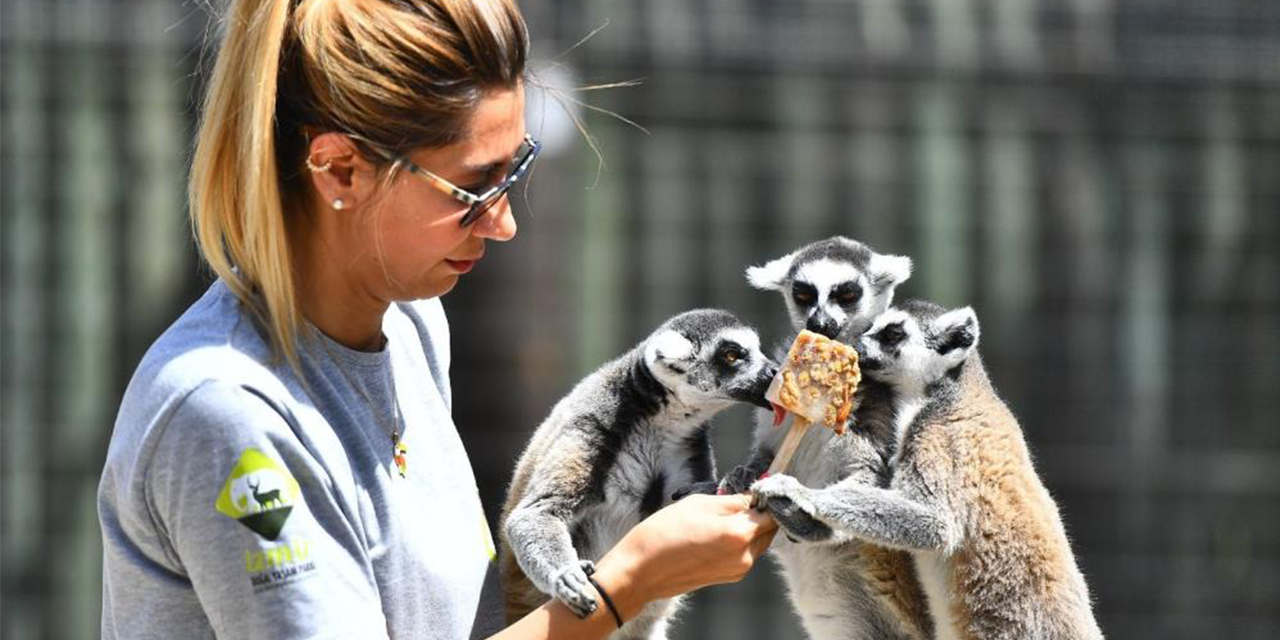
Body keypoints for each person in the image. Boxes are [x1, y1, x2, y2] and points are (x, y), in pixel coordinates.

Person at [96, 0, 777, 638]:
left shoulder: (413, 324)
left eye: (516, 173)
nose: (505, 223)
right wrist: (630, 580)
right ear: (339, 171)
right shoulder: (227, 412)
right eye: (474, 188)